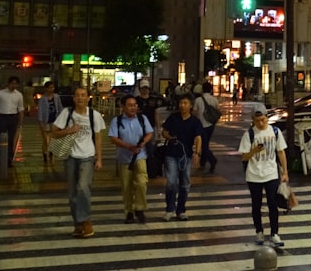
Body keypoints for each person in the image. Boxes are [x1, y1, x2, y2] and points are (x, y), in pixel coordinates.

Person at [50, 86, 104, 238]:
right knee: (72, 193)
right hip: (70, 156)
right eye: (77, 95)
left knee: (82, 188)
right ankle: (78, 224)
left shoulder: (95, 115)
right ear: (73, 98)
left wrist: (99, 159)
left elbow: (98, 138)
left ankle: (86, 220)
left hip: (88, 156)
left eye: (83, 95)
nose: (80, 98)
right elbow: (54, 131)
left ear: (88, 98)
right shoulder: (66, 114)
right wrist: (69, 130)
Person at [239, 110, 289, 246]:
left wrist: (285, 172)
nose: (261, 123)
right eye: (257, 121)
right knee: (257, 205)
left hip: (271, 174)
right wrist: (254, 151)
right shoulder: (249, 134)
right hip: (254, 175)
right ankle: (259, 231)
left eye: (263, 120)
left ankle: (274, 234)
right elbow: (244, 157)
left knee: (273, 204)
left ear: (267, 118)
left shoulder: (275, 131)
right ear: (253, 121)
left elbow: (281, 152)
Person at [108, 95, 154, 224]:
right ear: (122, 107)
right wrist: (128, 146)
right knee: (126, 187)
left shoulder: (141, 118)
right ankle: (129, 212)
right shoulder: (117, 121)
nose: (133, 108)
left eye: (135, 105)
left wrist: (143, 143)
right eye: (130, 105)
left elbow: (149, 133)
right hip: (124, 158)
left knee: (142, 182)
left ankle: (139, 208)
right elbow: (113, 138)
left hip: (140, 156)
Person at [160, 95, 203, 220]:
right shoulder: (173, 117)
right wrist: (169, 137)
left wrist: (197, 153)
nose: (182, 105)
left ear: (190, 106)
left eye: (185, 103)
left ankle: (181, 210)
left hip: (186, 155)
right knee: (171, 182)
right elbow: (164, 131)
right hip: (171, 153)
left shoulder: (195, 121)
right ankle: (169, 209)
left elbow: (198, 137)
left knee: (185, 183)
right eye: (180, 103)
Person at [0, 76, 26, 166]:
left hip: (13, 117)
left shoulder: (19, 95)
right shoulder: (1, 93)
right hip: (2, 117)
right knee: (0, 137)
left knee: (11, 139)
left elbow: (21, 108)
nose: (14, 85)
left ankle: (9, 159)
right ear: (8, 83)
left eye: (16, 83)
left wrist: (21, 120)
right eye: (12, 83)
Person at [193, 84, 220, 173]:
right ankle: (203, 162)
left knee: (203, 145)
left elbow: (194, 112)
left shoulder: (198, 100)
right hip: (211, 125)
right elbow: (217, 111)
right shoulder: (214, 100)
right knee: (205, 143)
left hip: (201, 125)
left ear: (202, 90)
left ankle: (212, 160)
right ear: (211, 90)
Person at [37, 80, 65, 164]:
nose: (51, 89)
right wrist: (41, 123)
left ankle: (51, 154)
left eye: (52, 87)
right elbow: (40, 111)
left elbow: (60, 108)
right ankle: (45, 154)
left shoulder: (56, 97)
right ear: (46, 88)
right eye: (49, 87)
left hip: (54, 121)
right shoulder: (42, 99)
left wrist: (62, 120)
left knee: (53, 139)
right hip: (46, 121)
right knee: (45, 140)